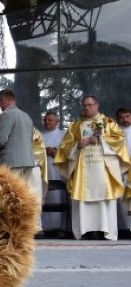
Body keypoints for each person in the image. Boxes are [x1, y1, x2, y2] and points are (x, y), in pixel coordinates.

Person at [54, 96, 131, 240]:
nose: (87, 108)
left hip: (102, 168)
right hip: (83, 169)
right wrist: (77, 145)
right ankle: (85, 230)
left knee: (104, 198)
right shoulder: (75, 126)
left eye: (90, 105)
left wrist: (101, 140)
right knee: (83, 199)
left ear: (97, 105)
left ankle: (105, 230)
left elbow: (120, 141)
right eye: (84, 105)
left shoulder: (108, 123)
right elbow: (64, 146)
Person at [0, 89, 43, 221]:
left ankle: (11, 224)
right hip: (27, 160)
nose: (0, 106)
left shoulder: (7, 115)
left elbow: (1, 140)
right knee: (22, 196)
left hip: (11, 161)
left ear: (3, 100)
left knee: (10, 195)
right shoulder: (26, 116)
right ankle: (23, 223)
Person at [41, 111, 68, 234]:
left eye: (50, 120)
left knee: (58, 195)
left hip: (58, 169)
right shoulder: (39, 136)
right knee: (45, 195)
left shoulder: (64, 135)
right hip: (44, 169)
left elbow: (69, 151)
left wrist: (56, 152)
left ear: (57, 122)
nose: (47, 122)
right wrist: (43, 151)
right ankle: (46, 227)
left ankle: (60, 226)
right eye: (46, 120)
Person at [114, 106, 131, 238]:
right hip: (120, 170)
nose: (124, 119)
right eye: (121, 117)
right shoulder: (115, 132)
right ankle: (123, 229)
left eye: (127, 116)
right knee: (121, 200)